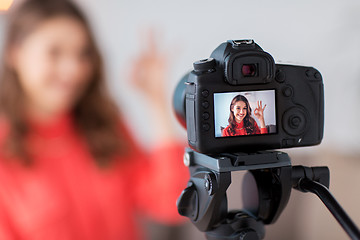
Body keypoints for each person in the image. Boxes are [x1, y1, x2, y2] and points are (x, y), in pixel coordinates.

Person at [0, 0, 188, 239]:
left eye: (82, 54)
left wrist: (157, 102)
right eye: (54, 52)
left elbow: (170, 204)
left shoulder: (104, 126)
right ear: (15, 53)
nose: (72, 69)